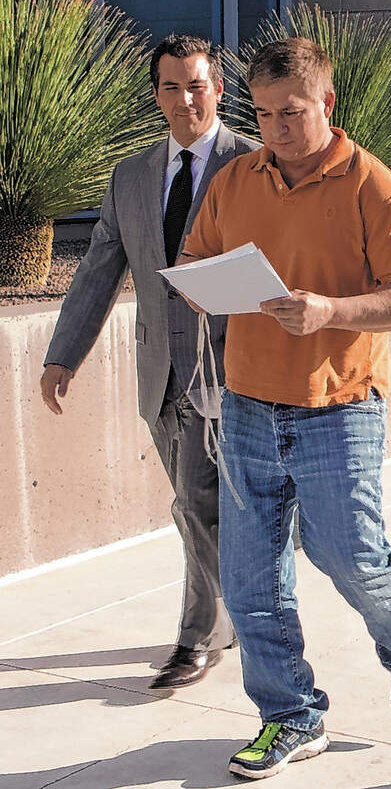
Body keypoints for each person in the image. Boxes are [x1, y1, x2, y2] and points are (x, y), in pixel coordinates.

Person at [179, 37, 391, 780]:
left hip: (339, 406)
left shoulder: (377, 189)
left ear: (326, 102)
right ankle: (290, 715)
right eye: (261, 114)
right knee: (251, 575)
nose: (275, 129)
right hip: (249, 405)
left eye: (290, 113)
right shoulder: (234, 180)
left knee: (348, 554)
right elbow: (195, 263)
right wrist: (202, 286)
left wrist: (329, 309)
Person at [41, 34, 259, 690]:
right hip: (158, 371)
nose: (184, 98)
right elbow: (101, 266)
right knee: (199, 503)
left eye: (196, 85)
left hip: (231, 371)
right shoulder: (131, 175)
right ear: (157, 94)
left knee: (196, 502)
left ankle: (197, 637)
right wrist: (63, 355)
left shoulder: (253, 165)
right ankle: (243, 609)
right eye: (170, 86)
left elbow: (284, 265)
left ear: (219, 89)